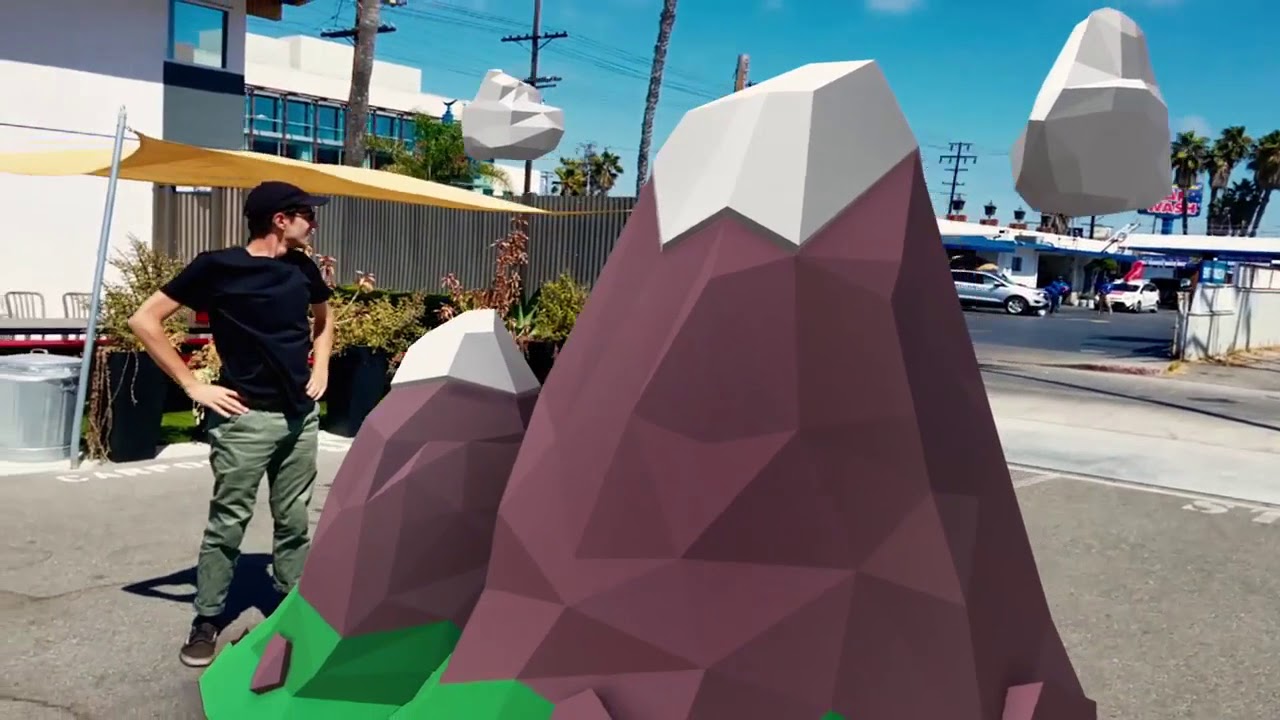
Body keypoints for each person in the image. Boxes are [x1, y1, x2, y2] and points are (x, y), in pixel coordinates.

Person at [127, 181, 335, 667]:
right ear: (279, 220)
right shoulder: (218, 266)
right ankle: (207, 617)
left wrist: (322, 367)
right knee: (228, 523)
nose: (313, 221)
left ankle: (292, 608)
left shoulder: (302, 268)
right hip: (245, 421)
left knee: (294, 520)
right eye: (306, 213)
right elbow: (144, 320)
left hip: (299, 418)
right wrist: (192, 385)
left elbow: (325, 320)